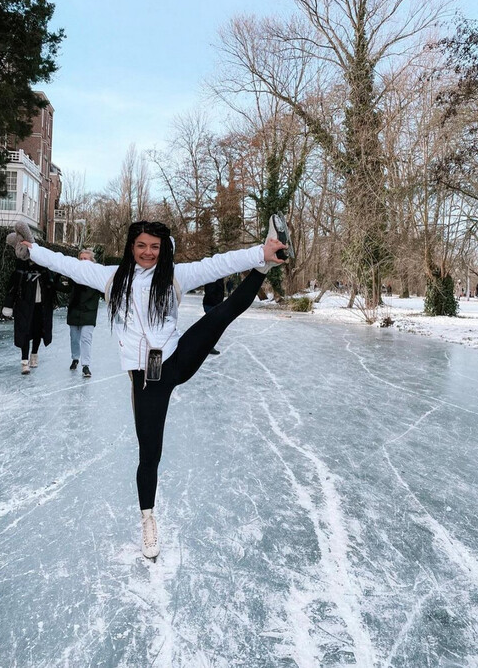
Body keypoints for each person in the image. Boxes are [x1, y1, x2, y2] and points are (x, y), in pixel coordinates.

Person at [17, 216, 290, 558]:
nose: (148, 253)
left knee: (222, 314)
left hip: (176, 360)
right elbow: (69, 265)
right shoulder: (112, 278)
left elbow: (219, 263)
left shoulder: (175, 276)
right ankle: (148, 520)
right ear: (131, 247)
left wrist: (258, 253)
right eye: (142, 246)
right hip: (148, 380)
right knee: (150, 454)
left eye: (155, 247)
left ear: (163, 249)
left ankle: (266, 262)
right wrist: (34, 251)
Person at [2, 258, 56, 374]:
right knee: (25, 332)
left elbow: (52, 287)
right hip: (24, 307)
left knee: (38, 332)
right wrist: (8, 305)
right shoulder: (21, 272)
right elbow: (12, 289)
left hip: (41, 307)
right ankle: (24, 361)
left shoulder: (45, 272)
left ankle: (34, 354)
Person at [57, 248, 102, 378]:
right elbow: (65, 288)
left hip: (89, 311)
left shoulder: (96, 275)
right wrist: (57, 277)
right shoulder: (74, 274)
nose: (83, 261)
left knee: (86, 338)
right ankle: (75, 358)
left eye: (85, 259)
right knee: (74, 338)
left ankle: (86, 365)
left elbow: (105, 290)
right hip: (74, 311)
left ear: (91, 260)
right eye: (81, 259)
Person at [202, 278, 225, 355]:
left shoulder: (219, 276)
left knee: (212, 326)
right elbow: (210, 291)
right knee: (211, 327)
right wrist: (217, 303)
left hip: (213, 304)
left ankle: (207, 346)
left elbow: (220, 291)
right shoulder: (214, 276)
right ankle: (208, 347)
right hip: (211, 304)